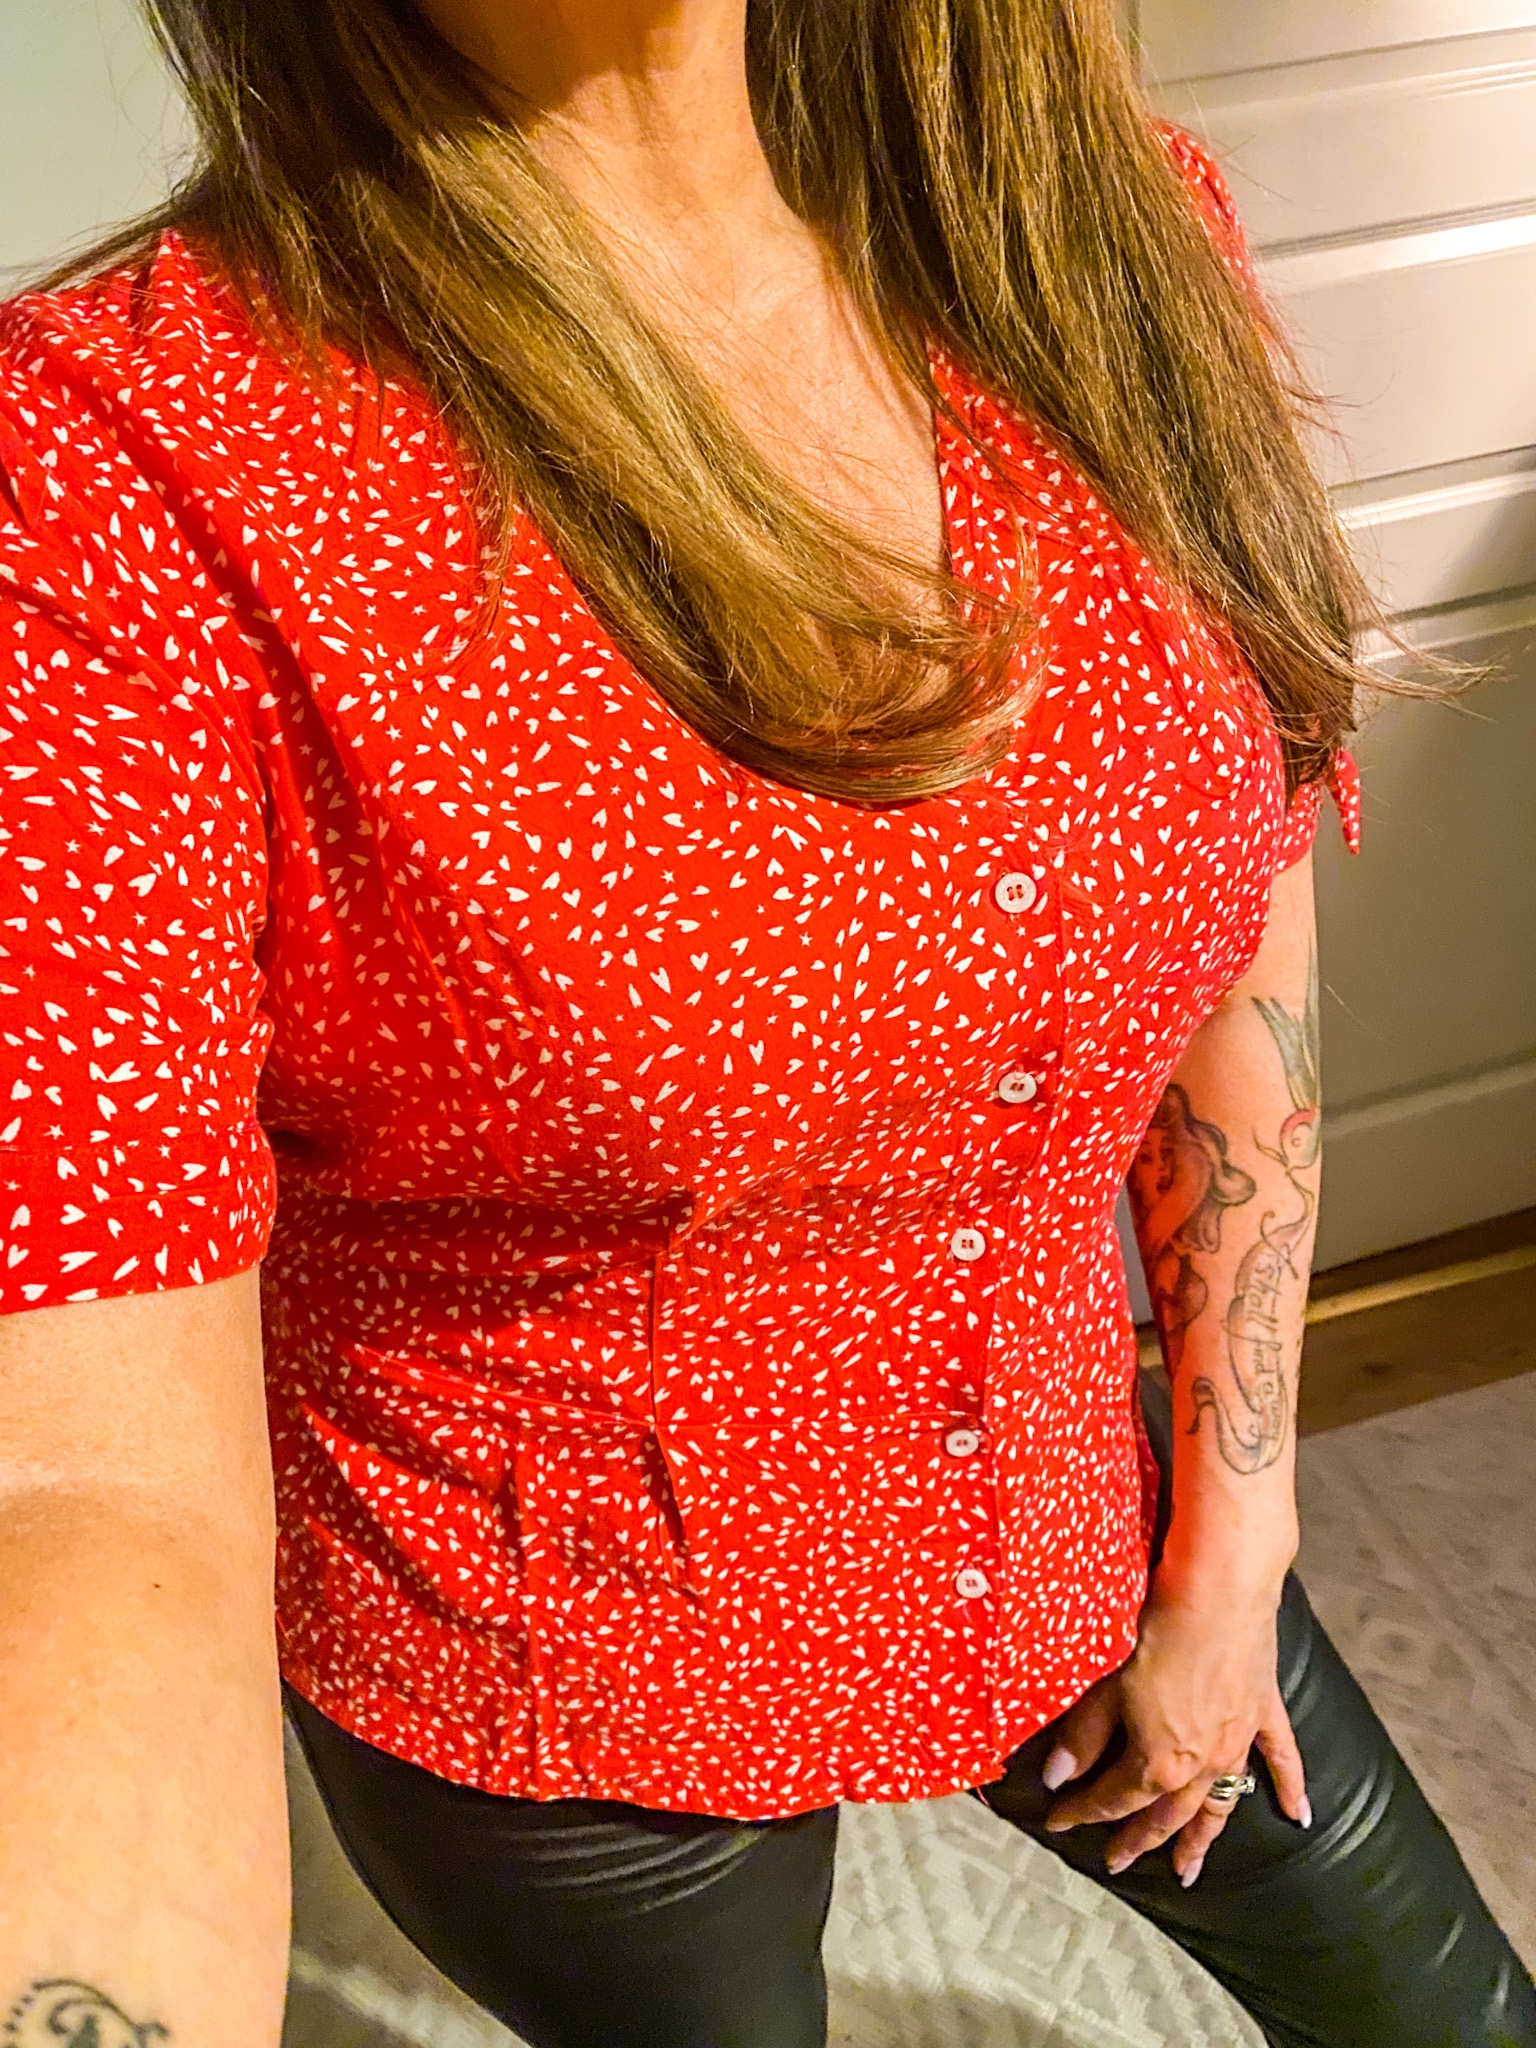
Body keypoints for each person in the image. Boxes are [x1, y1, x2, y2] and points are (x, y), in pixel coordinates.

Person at [0, 2, 1531, 2044]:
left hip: (1076, 1496)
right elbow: (83, 1482)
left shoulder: (1112, 238)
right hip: (571, 1675)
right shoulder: (117, 466)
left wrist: (1241, 1531)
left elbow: (1242, 895)